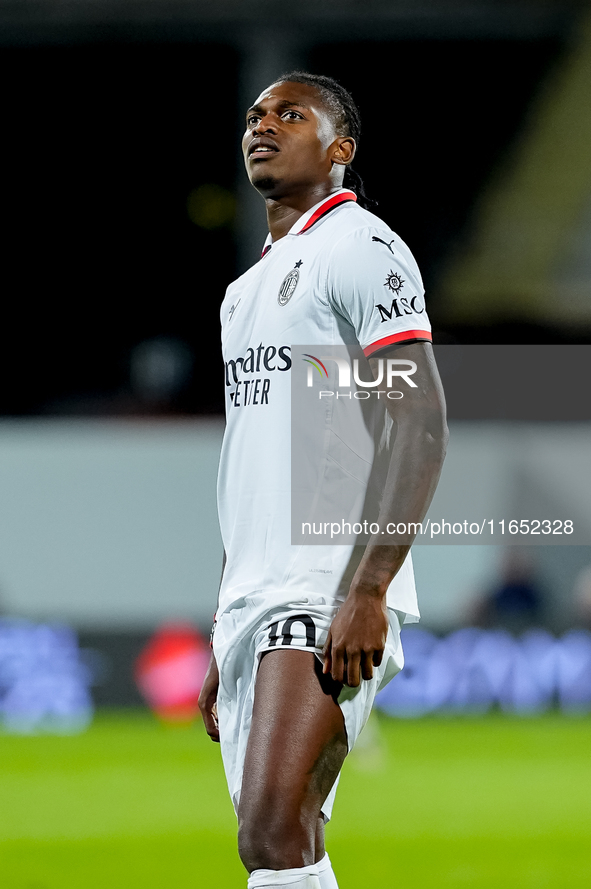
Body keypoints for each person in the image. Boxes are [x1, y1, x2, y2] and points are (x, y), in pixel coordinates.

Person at [198, 72, 448, 889]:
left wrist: (368, 588)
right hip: (255, 595)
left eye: (290, 114)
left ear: (339, 149)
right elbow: (251, 466)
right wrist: (222, 614)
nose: (261, 125)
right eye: (254, 115)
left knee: (272, 829)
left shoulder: (359, 249)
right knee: (283, 840)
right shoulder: (242, 293)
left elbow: (417, 421)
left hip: (324, 583)